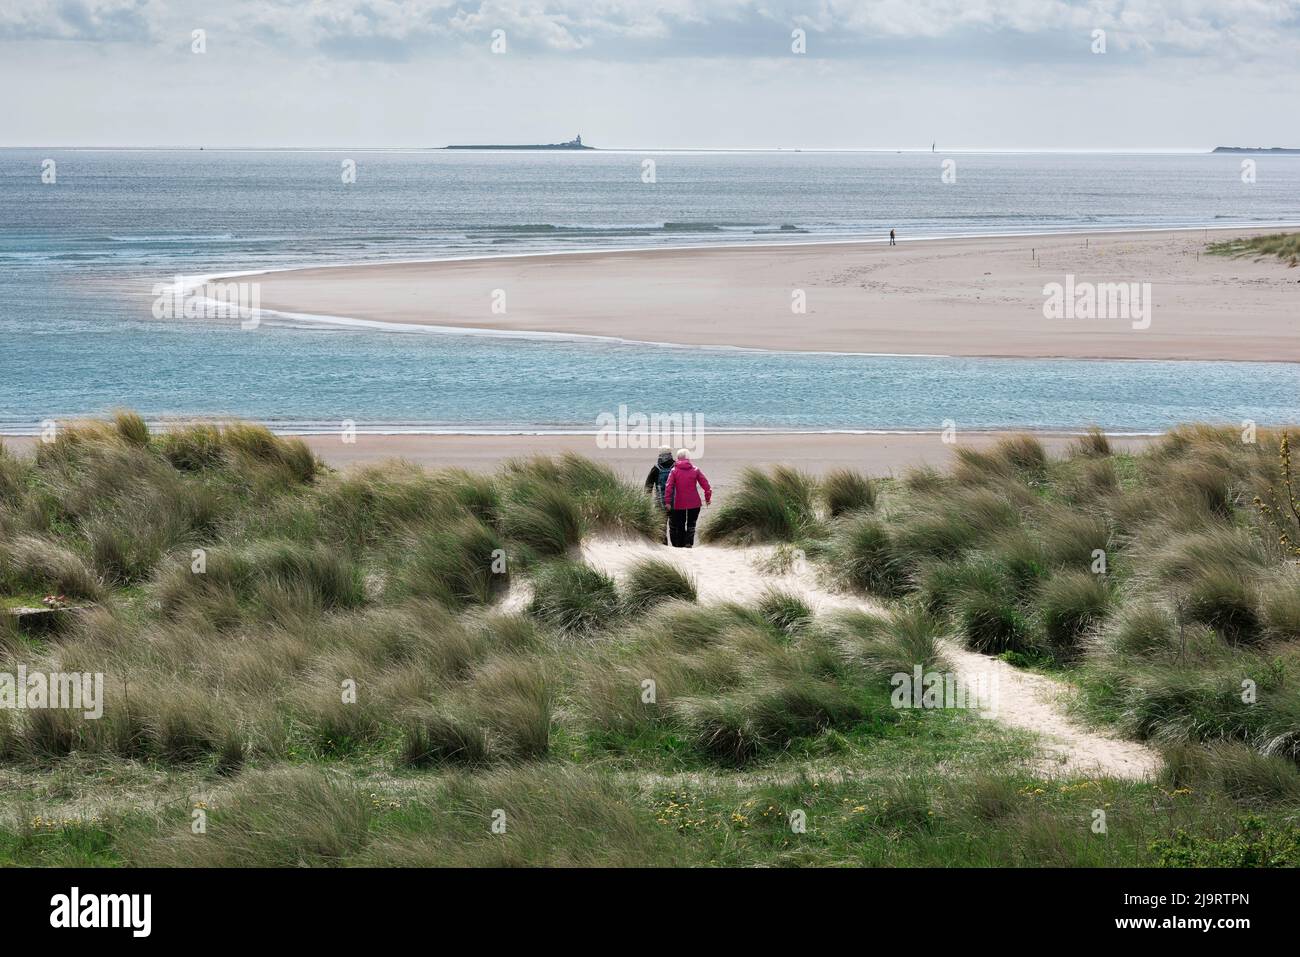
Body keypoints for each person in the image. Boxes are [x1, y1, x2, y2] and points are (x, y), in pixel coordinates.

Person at [663, 448, 711, 548]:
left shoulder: (674, 471)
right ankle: (688, 543)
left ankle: (681, 544)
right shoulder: (695, 470)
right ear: (688, 458)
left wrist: (667, 501)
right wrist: (707, 498)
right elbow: (706, 485)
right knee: (691, 524)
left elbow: (668, 486)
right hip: (694, 502)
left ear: (678, 458)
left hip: (679, 503)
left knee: (680, 524)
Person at [643, 446, 675, 544]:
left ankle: (664, 545)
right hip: (676, 501)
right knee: (674, 526)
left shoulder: (656, 468)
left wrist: (647, 497)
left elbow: (648, 485)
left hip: (660, 502)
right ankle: (677, 546)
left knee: (661, 526)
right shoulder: (676, 466)